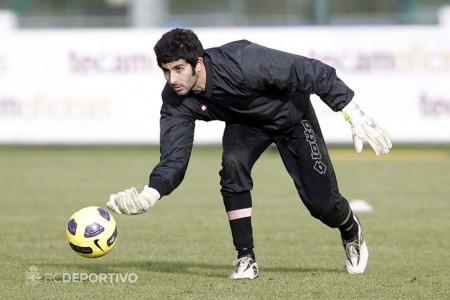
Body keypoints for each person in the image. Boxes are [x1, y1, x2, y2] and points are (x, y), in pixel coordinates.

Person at [107, 28, 391, 279]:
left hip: (291, 117)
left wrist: (350, 110)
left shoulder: (243, 60)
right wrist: (150, 194)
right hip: (246, 125)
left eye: (179, 69)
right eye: (166, 70)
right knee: (232, 166)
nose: (172, 79)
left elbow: (311, 70)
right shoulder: (175, 99)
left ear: (198, 63)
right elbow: (174, 159)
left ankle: (350, 229)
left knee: (323, 206)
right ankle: (246, 258)